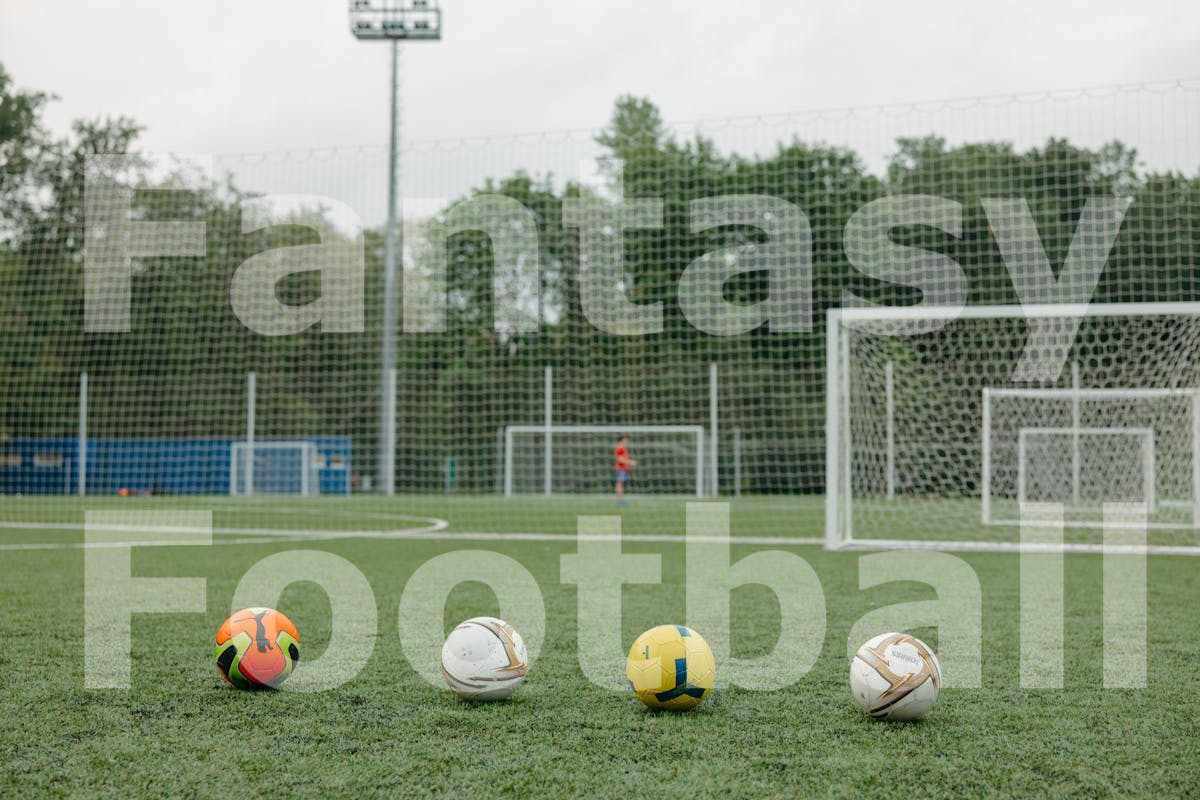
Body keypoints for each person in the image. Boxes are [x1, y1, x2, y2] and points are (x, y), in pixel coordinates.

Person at [614, 433, 636, 504]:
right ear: (623, 439)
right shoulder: (620, 447)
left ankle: (620, 500)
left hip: (623, 469)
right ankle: (620, 501)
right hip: (620, 469)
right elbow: (619, 459)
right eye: (626, 439)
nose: (627, 441)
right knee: (619, 484)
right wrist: (630, 462)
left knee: (620, 484)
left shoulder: (622, 447)